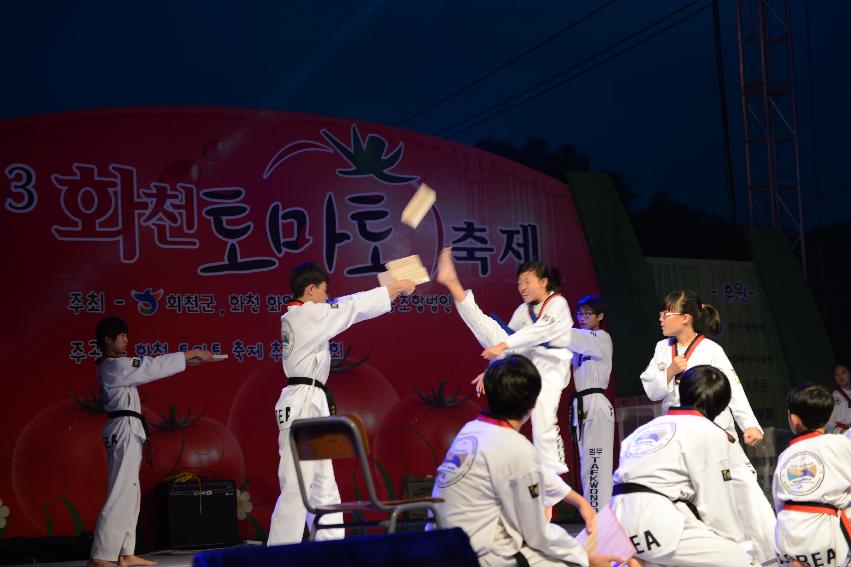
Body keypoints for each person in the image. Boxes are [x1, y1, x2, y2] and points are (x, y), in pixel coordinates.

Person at [430, 354, 632, 567]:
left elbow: (531, 470)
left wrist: (578, 500)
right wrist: (585, 558)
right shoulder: (515, 447)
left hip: (441, 545)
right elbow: (537, 534)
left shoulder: (473, 430)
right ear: (535, 401)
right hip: (474, 555)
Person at [267, 262, 416, 545]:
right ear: (310, 290)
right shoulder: (303, 316)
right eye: (324, 292)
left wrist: (390, 293)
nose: (327, 298)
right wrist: (393, 289)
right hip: (302, 402)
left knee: (324, 485)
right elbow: (350, 308)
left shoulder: (306, 314)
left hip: (312, 400)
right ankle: (278, 554)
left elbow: (346, 305)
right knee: (297, 485)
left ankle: (332, 550)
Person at [639, 290, 776, 565]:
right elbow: (651, 390)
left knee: (744, 488)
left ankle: (771, 553)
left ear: (686, 318)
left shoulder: (712, 350)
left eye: (668, 313)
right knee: (688, 496)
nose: (662, 318)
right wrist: (669, 372)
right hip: (678, 435)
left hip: (716, 431)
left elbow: (733, 389)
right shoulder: (661, 348)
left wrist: (750, 425)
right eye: (661, 312)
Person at [436, 247, 577, 512]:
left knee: (543, 417)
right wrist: (491, 368)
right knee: (491, 330)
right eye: (519, 283)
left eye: (528, 282)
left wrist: (501, 348)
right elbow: (507, 341)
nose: (522, 287)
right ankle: (454, 285)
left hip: (552, 368)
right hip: (529, 363)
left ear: (544, 282)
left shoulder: (558, 304)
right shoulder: (524, 310)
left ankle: (552, 484)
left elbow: (534, 334)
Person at [88, 316, 214, 567]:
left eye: (126, 335)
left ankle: (125, 553)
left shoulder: (118, 366)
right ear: (107, 340)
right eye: (120, 336)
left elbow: (149, 368)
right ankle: (101, 555)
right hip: (122, 427)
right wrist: (190, 354)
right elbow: (151, 366)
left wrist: (189, 362)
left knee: (131, 492)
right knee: (121, 491)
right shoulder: (113, 366)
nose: (126, 340)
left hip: (128, 427)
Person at [612, 365, 757, 566]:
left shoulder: (644, 430)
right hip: (654, 522)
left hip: (616, 523)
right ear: (721, 405)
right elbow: (716, 504)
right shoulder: (709, 432)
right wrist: (737, 545)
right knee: (743, 561)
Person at [773, 383, 851, 567]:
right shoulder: (841, 444)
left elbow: (778, 502)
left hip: (787, 534)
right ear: (830, 415)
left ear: (794, 419)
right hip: (825, 531)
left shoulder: (785, 454)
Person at [565, 295, 614, 512]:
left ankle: (601, 517)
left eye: (587, 313)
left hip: (596, 403)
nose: (582, 317)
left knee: (596, 464)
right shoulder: (578, 341)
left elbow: (568, 337)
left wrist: (548, 325)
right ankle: (594, 517)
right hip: (582, 404)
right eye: (580, 313)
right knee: (587, 465)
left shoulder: (600, 337)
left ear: (600, 316)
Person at [826, 362, 851, 435]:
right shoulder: (832, 397)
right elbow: (829, 425)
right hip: (844, 435)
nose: (840, 376)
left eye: (843, 372)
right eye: (837, 374)